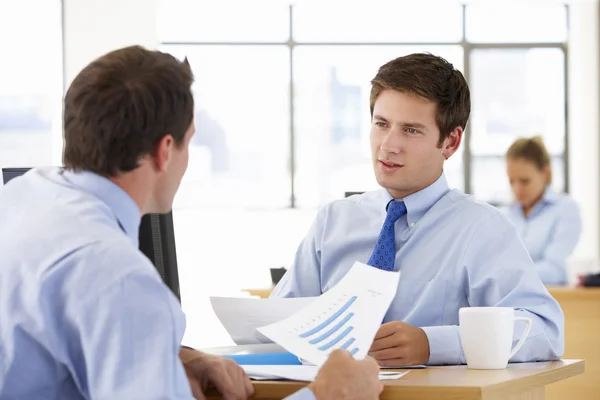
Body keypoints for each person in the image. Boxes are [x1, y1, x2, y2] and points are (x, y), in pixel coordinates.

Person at [0, 46, 383, 400]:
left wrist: (170, 354)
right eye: (189, 141)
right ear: (165, 150)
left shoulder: (21, 200)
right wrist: (329, 395)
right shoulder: (119, 277)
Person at [271, 53, 564, 367]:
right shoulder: (333, 221)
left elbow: (544, 330)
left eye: (410, 130)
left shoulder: (482, 229)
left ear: (450, 142)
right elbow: (278, 324)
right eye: (381, 124)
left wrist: (432, 344)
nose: (388, 145)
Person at [505, 136, 582, 285]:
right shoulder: (506, 214)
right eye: (511, 181)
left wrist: (508, 275)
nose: (517, 189)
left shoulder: (565, 210)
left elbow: (555, 270)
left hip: (552, 299)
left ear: (545, 173)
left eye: (524, 181)